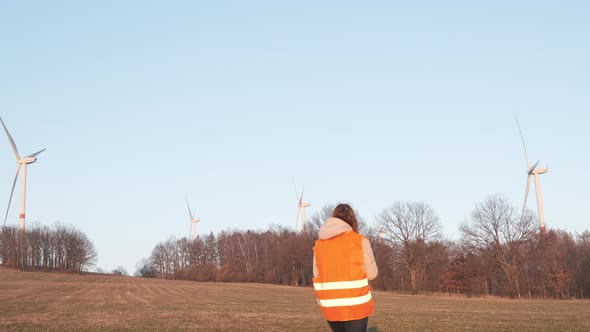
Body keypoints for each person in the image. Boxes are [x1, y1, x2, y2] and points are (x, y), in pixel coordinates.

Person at [313, 203, 378, 332]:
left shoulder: (319, 245)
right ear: (352, 220)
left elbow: (316, 274)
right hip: (355, 307)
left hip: (330, 307)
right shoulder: (360, 241)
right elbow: (372, 274)